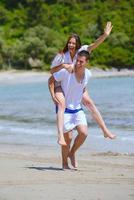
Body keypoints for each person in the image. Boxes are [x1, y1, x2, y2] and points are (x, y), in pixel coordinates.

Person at [49, 22, 113, 146]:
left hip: (77, 84)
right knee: (62, 104)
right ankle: (60, 136)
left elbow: (94, 45)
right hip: (60, 84)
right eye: (69, 42)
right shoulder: (61, 56)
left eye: (73, 43)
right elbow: (51, 73)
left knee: (89, 103)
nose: (71, 45)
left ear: (77, 44)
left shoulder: (81, 51)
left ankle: (105, 130)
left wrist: (105, 35)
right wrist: (63, 65)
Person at [49, 50, 116, 170]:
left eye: (81, 61)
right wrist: (54, 96)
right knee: (68, 138)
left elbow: (82, 87)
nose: (78, 63)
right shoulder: (66, 71)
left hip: (77, 108)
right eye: (77, 60)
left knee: (84, 133)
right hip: (66, 110)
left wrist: (83, 96)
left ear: (87, 62)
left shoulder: (88, 74)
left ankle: (72, 153)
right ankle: (64, 163)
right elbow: (51, 80)